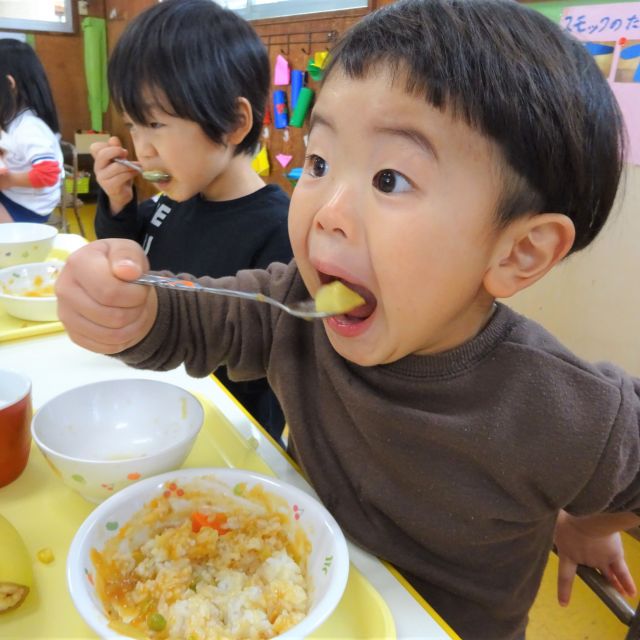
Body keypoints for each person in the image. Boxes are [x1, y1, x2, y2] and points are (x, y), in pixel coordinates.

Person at [55, 1, 640, 638]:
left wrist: (589, 525)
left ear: (517, 251)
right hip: (313, 604)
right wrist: (130, 311)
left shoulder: (562, 407)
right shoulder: (297, 312)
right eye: (319, 163)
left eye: (390, 178)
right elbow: (199, 319)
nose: (328, 210)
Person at [91, 0, 292, 443]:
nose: (141, 148)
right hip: (148, 403)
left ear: (234, 124)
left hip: (224, 430)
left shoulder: (278, 230)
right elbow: (125, 260)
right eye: (132, 125)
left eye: (155, 124)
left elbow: (268, 360)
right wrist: (118, 203)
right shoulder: (173, 199)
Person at [0, 39, 63, 223]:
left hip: (27, 207)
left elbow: (48, 174)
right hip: (15, 197)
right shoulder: (12, 122)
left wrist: (8, 180)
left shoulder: (28, 127)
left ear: (9, 84)